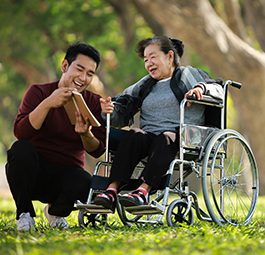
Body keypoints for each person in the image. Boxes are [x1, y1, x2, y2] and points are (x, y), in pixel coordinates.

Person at [94, 36, 223, 212]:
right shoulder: (145, 84)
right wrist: (109, 110)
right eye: (146, 59)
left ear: (170, 56)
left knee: (166, 137)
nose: (148, 63)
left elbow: (217, 88)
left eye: (153, 57)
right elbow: (121, 113)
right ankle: (111, 191)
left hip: (182, 137)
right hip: (149, 139)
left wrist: (200, 89)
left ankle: (142, 191)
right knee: (134, 135)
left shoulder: (187, 74)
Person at [5, 42, 106, 231]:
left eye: (90, 74)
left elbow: (98, 149)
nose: (83, 78)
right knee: (19, 150)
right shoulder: (38, 92)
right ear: (65, 66)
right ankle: (24, 214)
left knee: (86, 182)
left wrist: (85, 134)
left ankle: (56, 212)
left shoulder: (93, 102)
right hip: (33, 173)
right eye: (79, 69)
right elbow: (21, 132)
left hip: (66, 176)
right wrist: (48, 103)